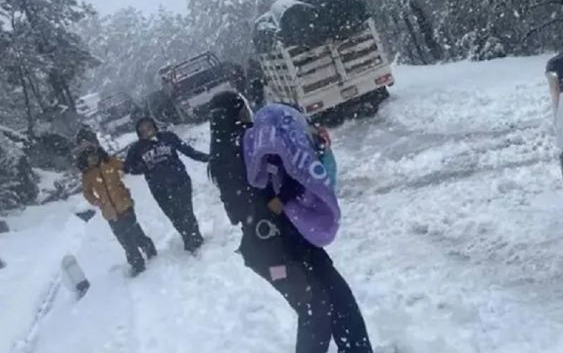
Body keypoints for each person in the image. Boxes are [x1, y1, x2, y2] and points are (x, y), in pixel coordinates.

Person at [207, 91, 372, 353]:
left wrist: (283, 194)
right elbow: (279, 183)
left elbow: (246, 207)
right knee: (317, 309)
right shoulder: (249, 141)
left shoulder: (223, 153)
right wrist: (291, 185)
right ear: (238, 112)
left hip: (285, 241)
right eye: (244, 108)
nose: (249, 113)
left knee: (336, 300)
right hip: (275, 252)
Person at [124, 117, 208, 253]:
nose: (146, 131)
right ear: (139, 133)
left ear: (154, 126)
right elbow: (128, 167)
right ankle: (187, 237)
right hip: (159, 188)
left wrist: (207, 158)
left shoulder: (168, 137)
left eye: (149, 127)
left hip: (180, 181)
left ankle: (195, 238)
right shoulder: (136, 149)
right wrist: (142, 167)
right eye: (142, 130)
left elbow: (187, 150)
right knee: (174, 216)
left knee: (186, 212)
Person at [79, 146, 156, 276]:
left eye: (95, 156)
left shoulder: (109, 162)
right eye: (90, 158)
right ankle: (137, 264)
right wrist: (96, 201)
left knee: (135, 232)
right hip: (109, 212)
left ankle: (149, 249)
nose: (93, 160)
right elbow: (87, 193)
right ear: (85, 161)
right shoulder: (87, 175)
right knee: (124, 240)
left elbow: (126, 166)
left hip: (124, 204)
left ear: (99, 155)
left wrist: (139, 166)